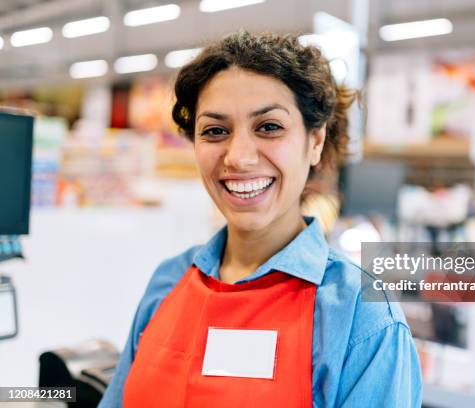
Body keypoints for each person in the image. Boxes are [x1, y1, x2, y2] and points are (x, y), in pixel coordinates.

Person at [99, 30, 422, 407]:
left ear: (314, 141)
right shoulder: (168, 281)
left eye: (269, 127)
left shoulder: (362, 319)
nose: (238, 156)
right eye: (215, 131)